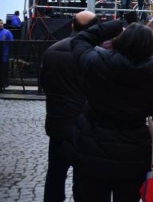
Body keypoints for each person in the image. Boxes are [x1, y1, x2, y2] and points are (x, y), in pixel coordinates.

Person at [67, 20, 153, 201]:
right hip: (133, 147)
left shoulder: (97, 61)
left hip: (94, 143)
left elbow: (79, 40)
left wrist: (116, 24)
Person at [40, 11, 98, 202]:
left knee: (55, 172)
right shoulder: (97, 56)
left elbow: (45, 85)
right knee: (84, 176)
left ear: (72, 26)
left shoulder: (52, 51)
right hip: (86, 125)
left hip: (58, 122)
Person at [0, 19, 14, 92]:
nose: (1, 24)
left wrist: (7, 51)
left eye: (2, 23)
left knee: (4, 69)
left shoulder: (7, 32)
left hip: (4, 54)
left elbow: (11, 43)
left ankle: (5, 82)